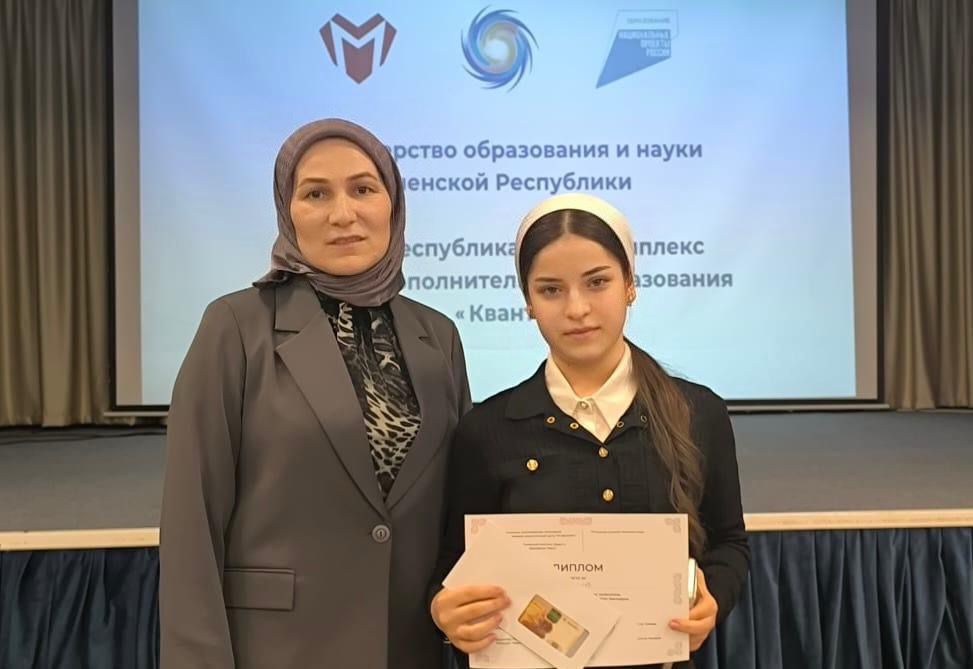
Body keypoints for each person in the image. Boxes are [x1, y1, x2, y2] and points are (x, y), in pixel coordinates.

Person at [160, 118, 471, 669]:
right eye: (316, 194)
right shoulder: (235, 327)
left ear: (393, 203)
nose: (342, 214)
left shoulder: (437, 335)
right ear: (287, 210)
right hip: (279, 650)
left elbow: (459, 508)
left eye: (363, 189)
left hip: (406, 648)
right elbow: (192, 520)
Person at [429, 193, 749, 668]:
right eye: (551, 290)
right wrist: (446, 610)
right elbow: (453, 567)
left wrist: (713, 597)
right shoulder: (486, 431)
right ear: (528, 302)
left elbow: (729, 544)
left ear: (630, 284)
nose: (577, 308)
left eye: (597, 282)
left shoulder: (698, 413)